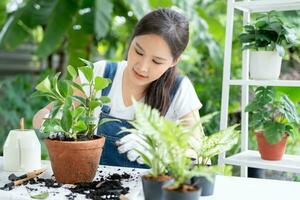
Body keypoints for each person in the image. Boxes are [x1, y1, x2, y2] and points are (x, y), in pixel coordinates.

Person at [33, 8, 202, 168]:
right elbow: (42, 116)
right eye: (138, 51)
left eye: (156, 61)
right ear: (131, 40)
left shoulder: (180, 89)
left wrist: (157, 150)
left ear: (174, 61)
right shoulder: (99, 73)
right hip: (96, 186)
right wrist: (50, 120)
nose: (142, 67)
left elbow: (197, 151)